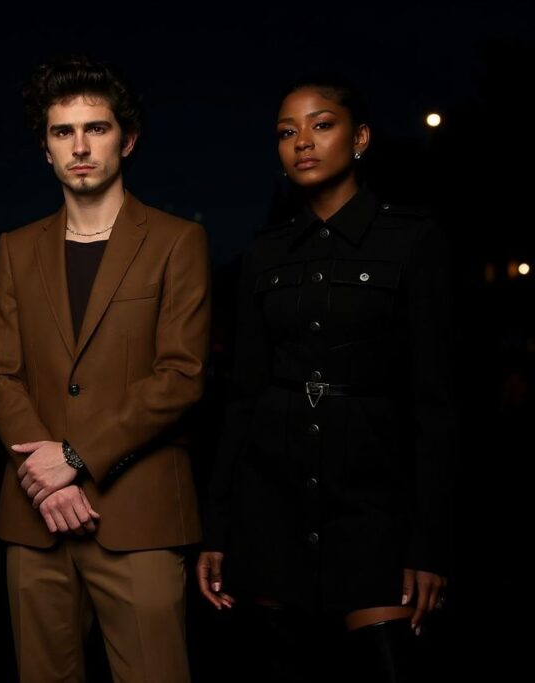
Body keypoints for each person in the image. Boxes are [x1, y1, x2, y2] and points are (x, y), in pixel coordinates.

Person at [197, 74, 454, 681]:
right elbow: (242, 398)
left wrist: (431, 545)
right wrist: (219, 528)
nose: (302, 143)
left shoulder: (415, 240)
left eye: (321, 125)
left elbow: (438, 405)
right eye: (287, 133)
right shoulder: (266, 253)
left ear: (359, 137)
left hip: (375, 507)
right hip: (272, 506)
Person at [0, 56, 211, 683]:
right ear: (45, 149)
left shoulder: (175, 242)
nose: (80, 146)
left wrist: (76, 456)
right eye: (63, 132)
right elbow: (2, 374)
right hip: (36, 520)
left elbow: (181, 375)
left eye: (97, 128)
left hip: (138, 517)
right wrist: (46, 477)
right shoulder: (15, 247)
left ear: (127, 139)